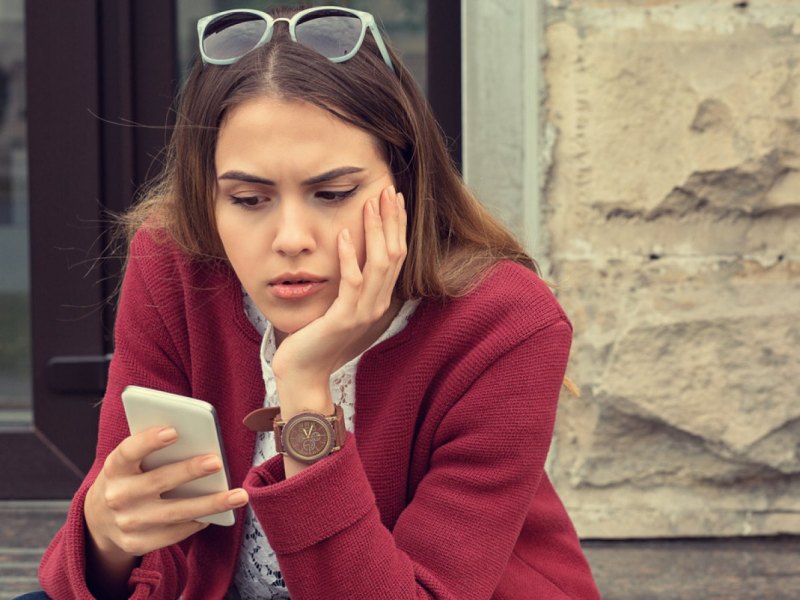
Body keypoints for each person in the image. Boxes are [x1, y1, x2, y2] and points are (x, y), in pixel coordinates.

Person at [35, 4, 600, 599]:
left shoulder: (505, 322)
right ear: (210, 196)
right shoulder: (177, 266)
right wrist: (106, 537)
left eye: (332, 192)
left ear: (404, 179)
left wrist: (305, 386)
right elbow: (85, 576)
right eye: (249, 199)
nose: (291, 239)